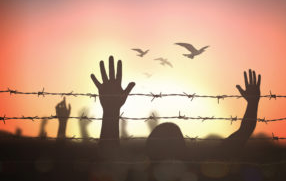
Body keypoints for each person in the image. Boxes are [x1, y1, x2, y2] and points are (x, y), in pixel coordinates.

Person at [91, 56, 261, 161]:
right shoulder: (197, 171)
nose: (167, 156)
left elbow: (109, 155)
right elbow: (242, 134)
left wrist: (111, 111)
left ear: (149, 148)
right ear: (183, 148)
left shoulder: (139, 173)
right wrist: (252, 104)